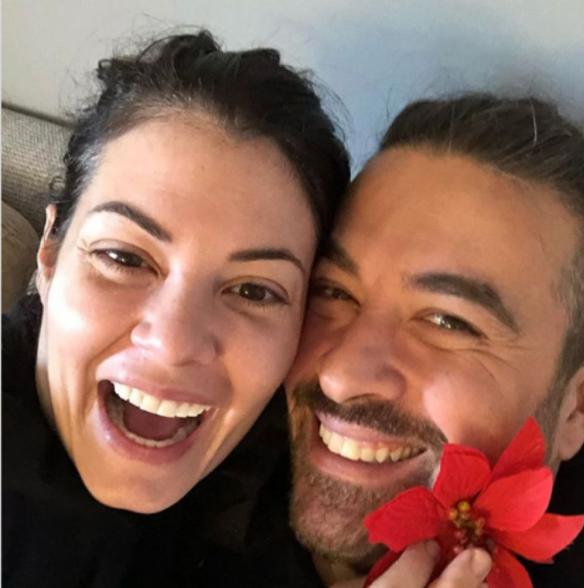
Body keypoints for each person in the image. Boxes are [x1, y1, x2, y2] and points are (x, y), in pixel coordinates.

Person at [2, 29, 350, 586]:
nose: (174, 341)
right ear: (50, 254)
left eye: (254, 291)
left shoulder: (297, 493)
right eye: (123, 258)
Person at [283, 93, 584, 586]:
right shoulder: (186, 493)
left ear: (578, 407)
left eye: (447, 322)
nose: (341, 377)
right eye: (334, 292)